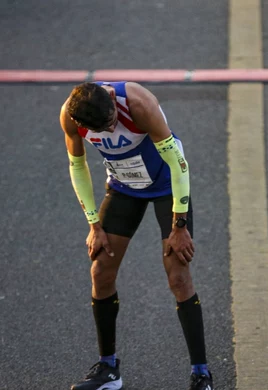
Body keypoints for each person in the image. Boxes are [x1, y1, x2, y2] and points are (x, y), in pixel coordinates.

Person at [60, 81, 214, 390]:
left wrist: (179, 226)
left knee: (178, 275)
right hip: (124, 188)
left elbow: (179, 163)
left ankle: (201, 374)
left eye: (114, 118)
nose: (114, 126)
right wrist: (94, 224)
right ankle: (108, 369)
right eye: (106, 128)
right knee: (100, 270)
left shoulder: (138, 103)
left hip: (167, 188)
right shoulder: (69, 115)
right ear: (81, 124)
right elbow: (77, 166)